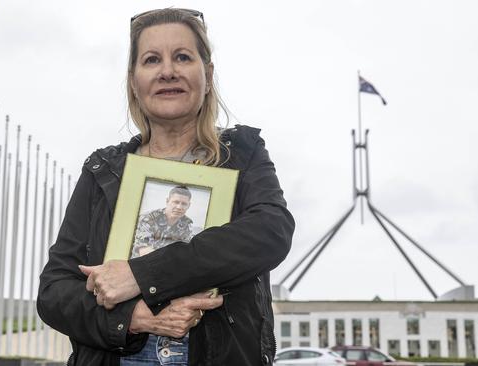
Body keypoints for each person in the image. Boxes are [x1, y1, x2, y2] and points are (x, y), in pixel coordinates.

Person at [37, 8, 295, 366]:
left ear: (207, 74)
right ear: (133, 81)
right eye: (152, 59)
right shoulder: (103, 170)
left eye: (183, 57)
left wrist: (141, 276)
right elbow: (54, 292)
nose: (168, 71)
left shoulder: (243, 154)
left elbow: (271, 232)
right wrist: (133, 318)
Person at [132, 185, 195, 258]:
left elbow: (185, 253)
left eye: (184, 204)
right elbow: (144, 251)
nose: (179, 207)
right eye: (176, 202)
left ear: (189, 205)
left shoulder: (187, 225)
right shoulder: (149, 218)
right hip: (140, 264)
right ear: (167, 201)